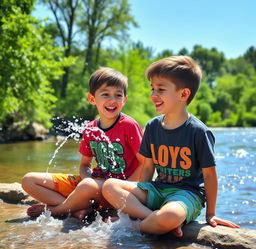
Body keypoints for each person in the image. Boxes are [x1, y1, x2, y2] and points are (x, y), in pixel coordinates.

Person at [102, 56, 240, 236]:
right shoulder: (152, 126)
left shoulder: (199, 132)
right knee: (109, 186)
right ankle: (153, 218)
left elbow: (209, 175)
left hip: (186, 195)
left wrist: (211, 213)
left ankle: (138, 226)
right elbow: (148, 167)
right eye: (152, 89)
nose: (153, 95)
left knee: (170, 215)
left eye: (160, 89)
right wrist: (140, 195)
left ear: (183, 94)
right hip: (157, 190)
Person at [22, 67, 144, 220]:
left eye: (118, 95)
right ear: (92, 99)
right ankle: (76, 208)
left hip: (115, 189)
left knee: (87, 187)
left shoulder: (129, 126)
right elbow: (84, 165)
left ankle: (56, 211)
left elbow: (145, 163)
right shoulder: (90, 128)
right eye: (105, 94)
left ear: (124, 100)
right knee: (29, 180)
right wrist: (86, 180)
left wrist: (123, 188)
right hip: (93, 185)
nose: (112, 100)